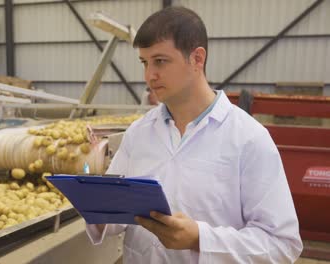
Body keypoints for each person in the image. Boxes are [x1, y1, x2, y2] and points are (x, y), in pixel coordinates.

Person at [85, 6, 303, 263]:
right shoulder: (139, 133)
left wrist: (201, 239)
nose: (149, 76)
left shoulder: (248, 139)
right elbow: (117, 214)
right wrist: (93, 204)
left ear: (197, 59)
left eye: (160, 61)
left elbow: (281, 244)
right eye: (144, 63)